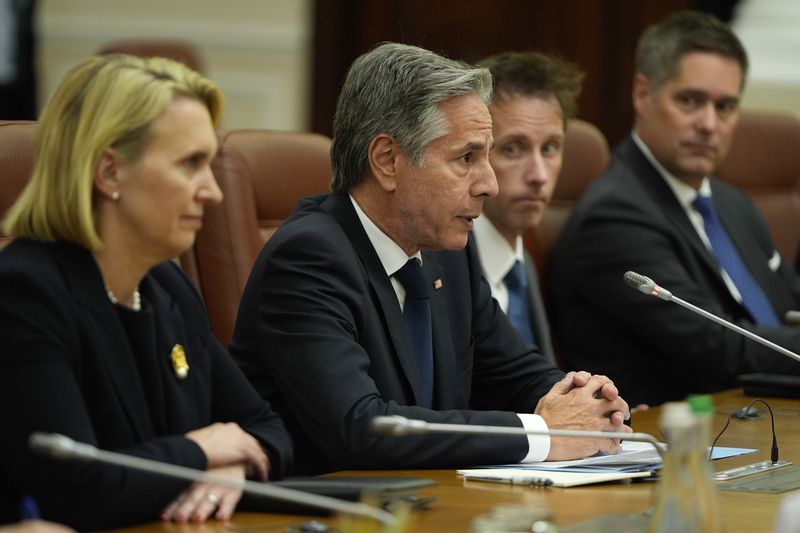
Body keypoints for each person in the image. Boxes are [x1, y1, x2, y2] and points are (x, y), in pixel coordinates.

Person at [231, 42, 630, 476]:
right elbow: (364, 428)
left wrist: (586, 400)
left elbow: (515, 373)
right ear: (388, 161)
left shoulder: (443, 255)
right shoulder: (308, 260)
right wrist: (544, 434)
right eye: (466, 158)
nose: (489, 185)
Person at [0, 54, 292, 530]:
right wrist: (201, 449)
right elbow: (77, 487)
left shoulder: (165, 285)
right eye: (190, 164)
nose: (213, 191)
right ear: (110, 172)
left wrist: (232, 468)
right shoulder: (24, 294)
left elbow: (267, 427)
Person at [548, 11, 800, 406]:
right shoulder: (614, 216)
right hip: (682, 436)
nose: (708, 124)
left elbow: (788, 305)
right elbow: (719, 346)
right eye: (690, 100)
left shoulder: (731, 202)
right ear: (643, 94)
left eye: (725, 107)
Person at [472, 51, 584, 364]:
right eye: (513, 149)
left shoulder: (523, 264)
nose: (538, 175)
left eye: (550, 148)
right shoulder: (443, 268)